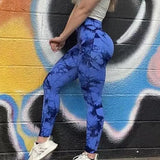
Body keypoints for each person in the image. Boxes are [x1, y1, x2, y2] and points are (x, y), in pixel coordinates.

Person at [28, 0, 117, 160]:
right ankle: (43, 142)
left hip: (93, 45)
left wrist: (63, 36)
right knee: (51, 82)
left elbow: (83, 9)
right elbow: (79, 7)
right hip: (85, 45)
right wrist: (64, 36)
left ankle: (90, 155)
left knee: (93, 100)